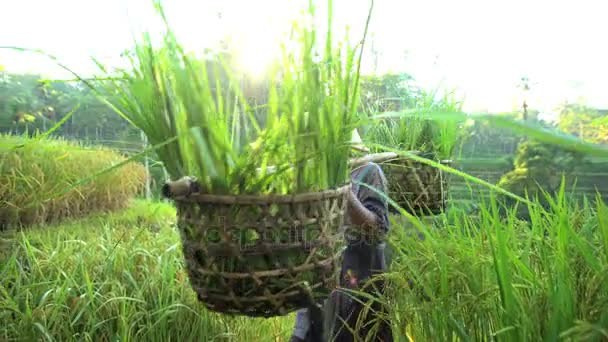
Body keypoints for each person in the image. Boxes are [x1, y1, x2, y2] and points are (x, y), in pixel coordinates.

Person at [291, 129, 393, 342]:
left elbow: (378, 229)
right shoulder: (313, 179)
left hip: (359, 288)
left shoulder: (369, 172)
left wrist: (344, 192)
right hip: (320, 290)